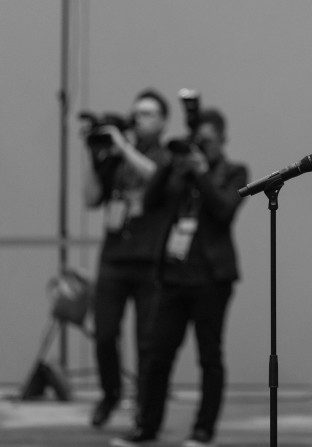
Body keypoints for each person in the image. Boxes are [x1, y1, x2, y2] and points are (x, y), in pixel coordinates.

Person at [111, 109, 248, 446]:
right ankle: (147, 426)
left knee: (209, 358)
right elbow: (151, 199)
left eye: (207, 142)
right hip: (172, 278)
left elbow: (224, 210)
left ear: (222, 139)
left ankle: (203, 430)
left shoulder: (233, 171)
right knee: (157, 356)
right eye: (195, 143)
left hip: (212, 281)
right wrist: (171, 164)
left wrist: (201, 172)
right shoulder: (178, 173)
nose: (200, 148)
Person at [84, 89, 171, 428]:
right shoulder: (116, 158)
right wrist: (91, 154)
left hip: (150, 260)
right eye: (136, 113)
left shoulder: (167, 155)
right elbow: (91, 198)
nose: (140, 119)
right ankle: (111, 392)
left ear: (164, 121)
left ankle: (144, 406)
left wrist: (122, 145)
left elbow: (155, 177)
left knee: (147, 341)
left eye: (149, 113)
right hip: (115, 257)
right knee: (104, 333)